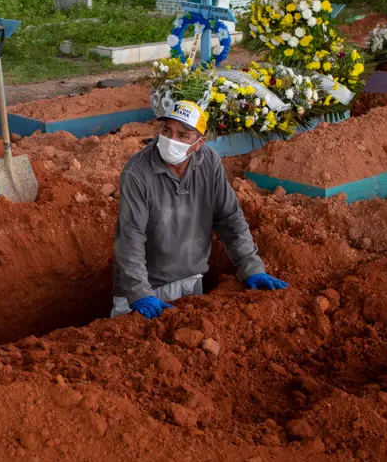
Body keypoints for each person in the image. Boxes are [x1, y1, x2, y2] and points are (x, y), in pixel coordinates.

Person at [112, 100, 288, 319]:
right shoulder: (137, 172)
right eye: (166, 130)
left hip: (190, 281)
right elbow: (130, 236)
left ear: (199, 143)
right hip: (146, 287)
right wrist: (139, 293)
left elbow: (229, 217)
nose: (170, 140)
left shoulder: (209, 162)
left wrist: (251, 266)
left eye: (182, 135)